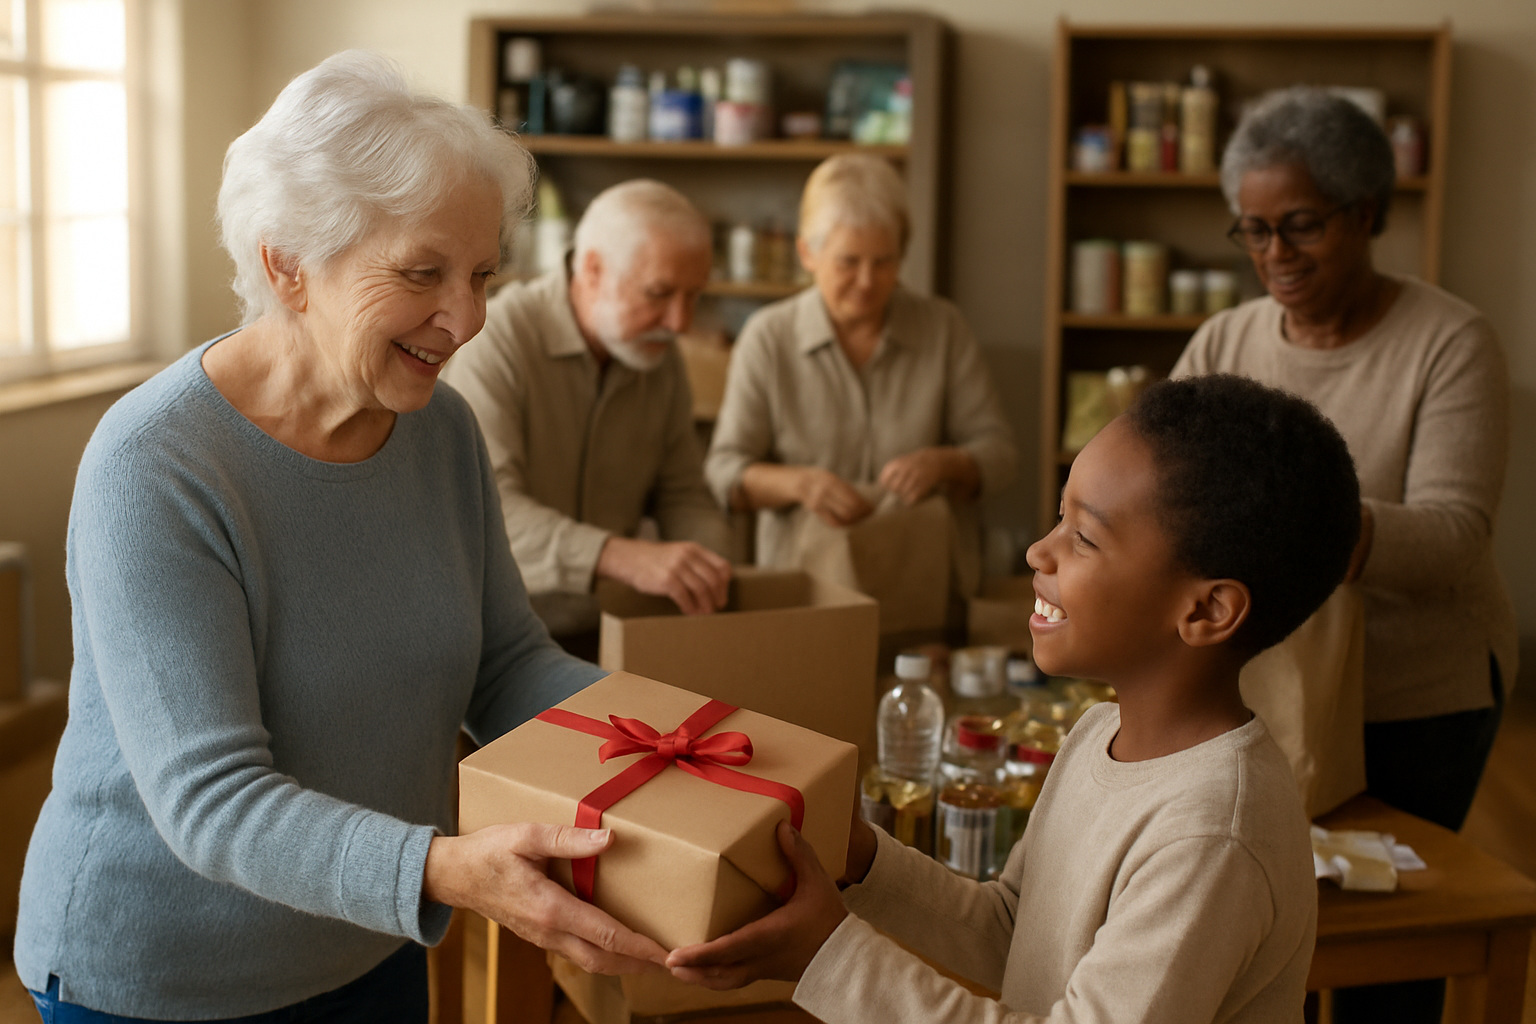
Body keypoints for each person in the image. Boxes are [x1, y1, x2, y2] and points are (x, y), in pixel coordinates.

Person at [15, 52, 666, 1023]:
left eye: (483, 274)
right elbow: (211, 799)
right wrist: (444, 867)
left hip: (366, 939)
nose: (468, 317)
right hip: (158, 977)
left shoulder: (438, 429)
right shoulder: (156, 465)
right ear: (287, 263)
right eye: (421, 273)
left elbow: (505, 665)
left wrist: (670, 736)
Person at [667, 375, 1362, 1024]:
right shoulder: (1101, 731)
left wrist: (829, 953)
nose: (1038, 551)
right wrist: (862, 861)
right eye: (1058, 518)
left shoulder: (1212, 835)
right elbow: (1011, 929)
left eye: (1083, 536)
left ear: (1207, 611)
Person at [1171, 87, 1518, 1023]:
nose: (1274, 256)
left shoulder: (1451, 344)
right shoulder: (1224, 341)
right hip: (1267, 685)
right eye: (1252, 231)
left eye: (1301, 226)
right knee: (1260, 926)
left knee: (1383, 954)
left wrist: (1301, 517)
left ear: (1368, 213)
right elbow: (1166, 495)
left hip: (1417, 694)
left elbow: (1451, 539)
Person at [704, 154, 1015, 596]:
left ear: (903, 252)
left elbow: (1001, 455)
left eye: (884, 262)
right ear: (807, 253)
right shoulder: (768, 338)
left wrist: (945, 462)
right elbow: (723, 471)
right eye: (848, 262)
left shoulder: (943, 328)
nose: (867, 281)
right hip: (806, 590)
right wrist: (800, 483)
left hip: (924, 586)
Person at [441, 180, 731, 644]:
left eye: (694, 296)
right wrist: (620, 556)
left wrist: (714, 572)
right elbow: (487, 513)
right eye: (659, 293)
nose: (680, 323)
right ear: (593, 270)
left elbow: (683, 493)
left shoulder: (659, 356)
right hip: (497, 638)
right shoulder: (499, 339)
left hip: (610, 626)